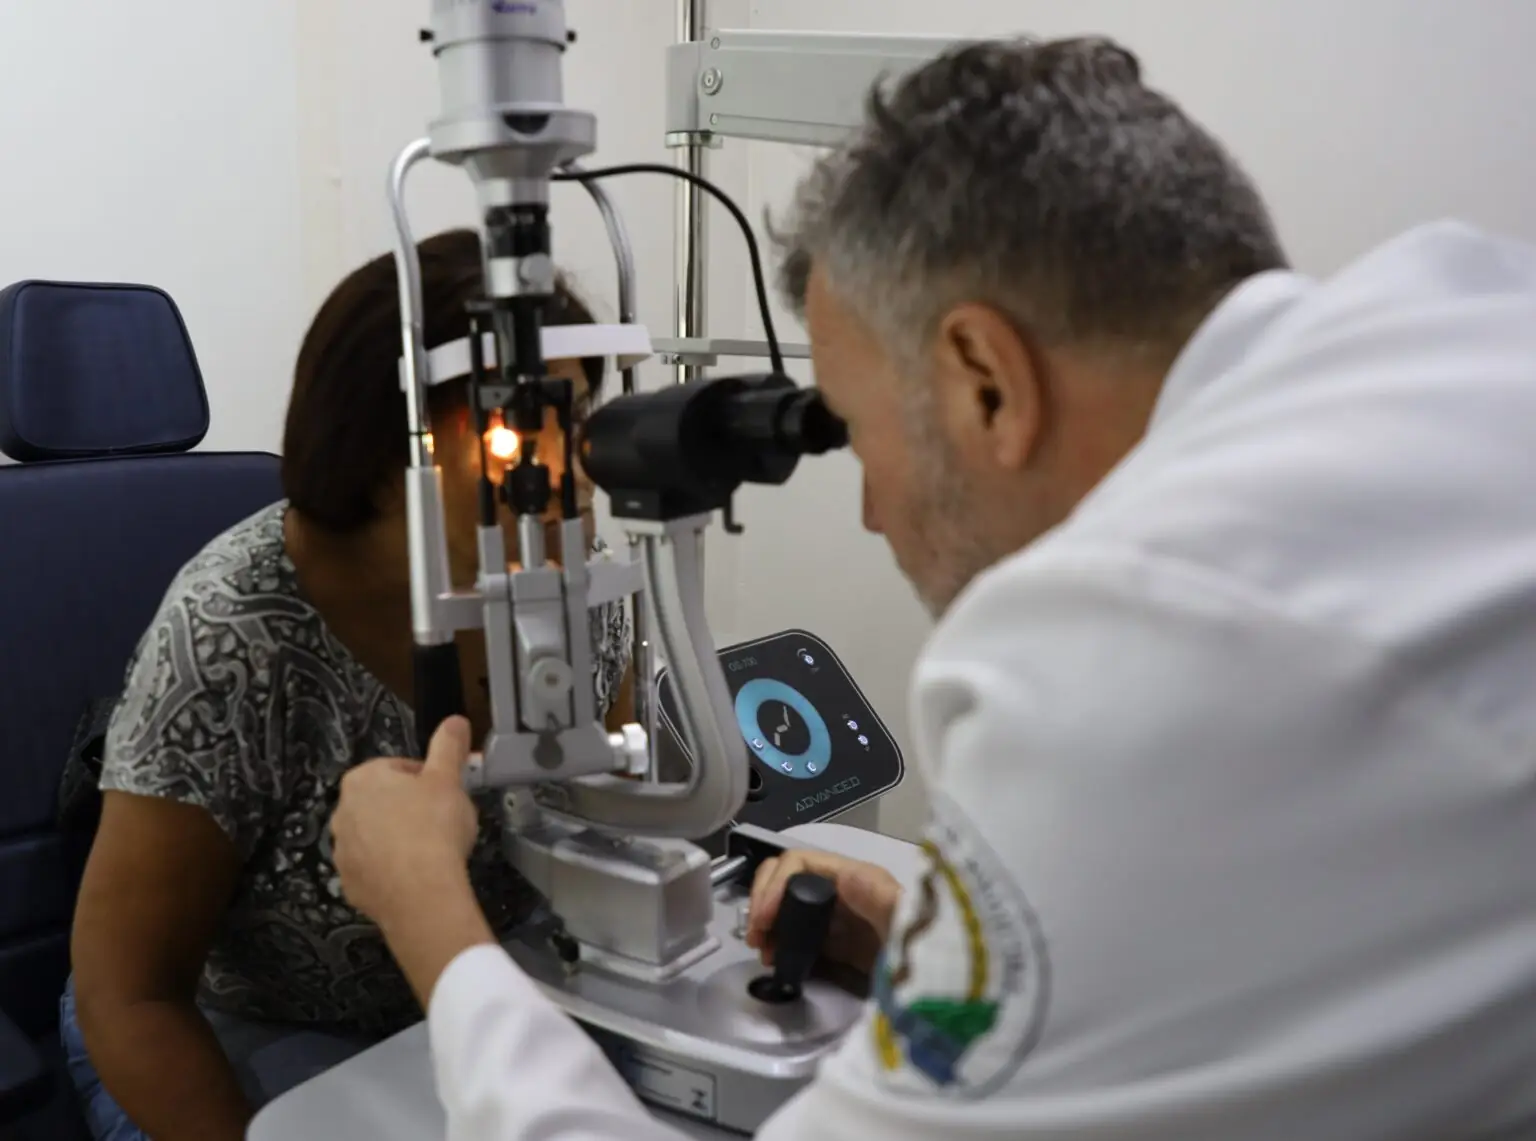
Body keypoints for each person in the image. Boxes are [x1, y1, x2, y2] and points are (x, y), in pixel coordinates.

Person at [331, 35, 1536, 1141]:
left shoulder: (1125, 655)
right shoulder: (1461, 302)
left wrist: (437, 927)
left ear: (984, 379)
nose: (871, 509)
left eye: (856, 431)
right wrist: (946, 955)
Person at [61, 229, 634, 1141]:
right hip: (249, 1031)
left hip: (487, 992)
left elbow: (622, 827)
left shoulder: (579, 584)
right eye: (514, 438)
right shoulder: (231, 636)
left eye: (575, 425)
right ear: (382, 460)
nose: (566, 482)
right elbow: (127, 994)